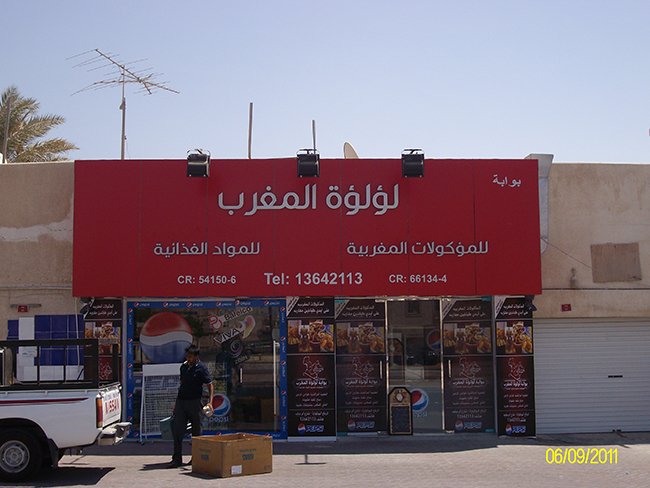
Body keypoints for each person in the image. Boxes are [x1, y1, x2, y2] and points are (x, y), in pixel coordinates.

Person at [168, 345, 214, 468]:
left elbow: (210, 385)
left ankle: (196, 459)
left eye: (190, 356)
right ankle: (176, 459)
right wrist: (176, 404)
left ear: (196, 357)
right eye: (187, 356)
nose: (188, 358)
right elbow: (182, 385)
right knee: (177, 430)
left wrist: (210, 402)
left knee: (196, 432)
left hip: (195, 402)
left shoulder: (201, 368)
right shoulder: (183, 367)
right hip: (181, 402)